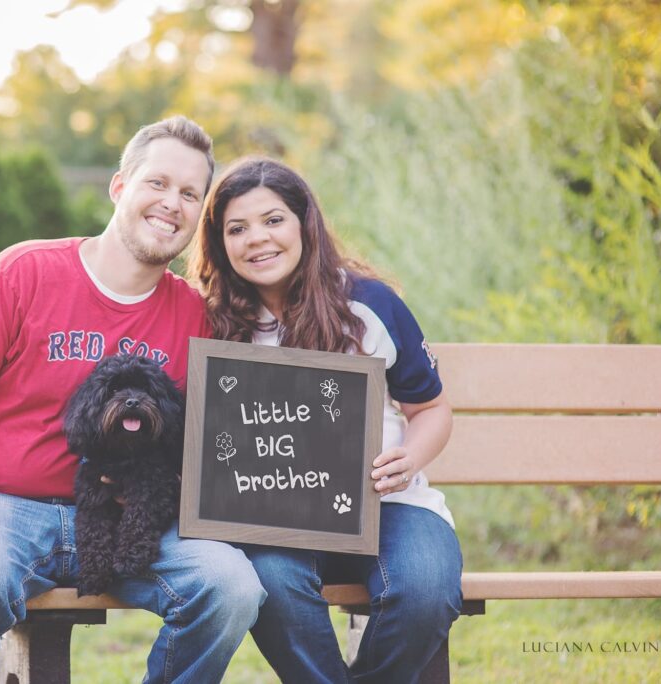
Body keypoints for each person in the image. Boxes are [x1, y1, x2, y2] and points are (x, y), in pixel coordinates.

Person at [0, 116, 266, 684]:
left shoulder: (196, 316)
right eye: (158, 183)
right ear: (120, 187)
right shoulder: (22, 274)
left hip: (132, 518)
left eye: (190, 194)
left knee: (232, 587)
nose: (172, 203)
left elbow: (211, 445)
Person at [188, 157, 462, 683]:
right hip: (276, 518)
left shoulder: (367, 304)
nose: (257, 240)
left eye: (273, 220)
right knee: (268, 580)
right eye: (236, 228)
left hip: (389, 505)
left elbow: (431, 409)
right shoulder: (214, 322)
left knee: (426, 587)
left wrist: (410, 457)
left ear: (303, 223)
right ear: (219, 243)